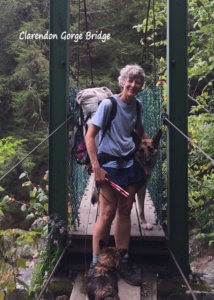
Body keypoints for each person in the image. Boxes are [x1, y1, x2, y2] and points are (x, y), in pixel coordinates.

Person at [85, 64, 148, 286]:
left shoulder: (138, 106)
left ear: (141, 86)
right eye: (129, 81)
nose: (133, 85)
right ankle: (96, 264)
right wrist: (96, 167)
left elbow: (140, 133)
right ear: (122, 82)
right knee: (108, 212)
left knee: (125, 210)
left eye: (137, 82)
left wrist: (150, 153)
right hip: (109, 166)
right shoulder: (108, 105)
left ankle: (123, 261)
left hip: (129, 165)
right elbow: (90, 136)